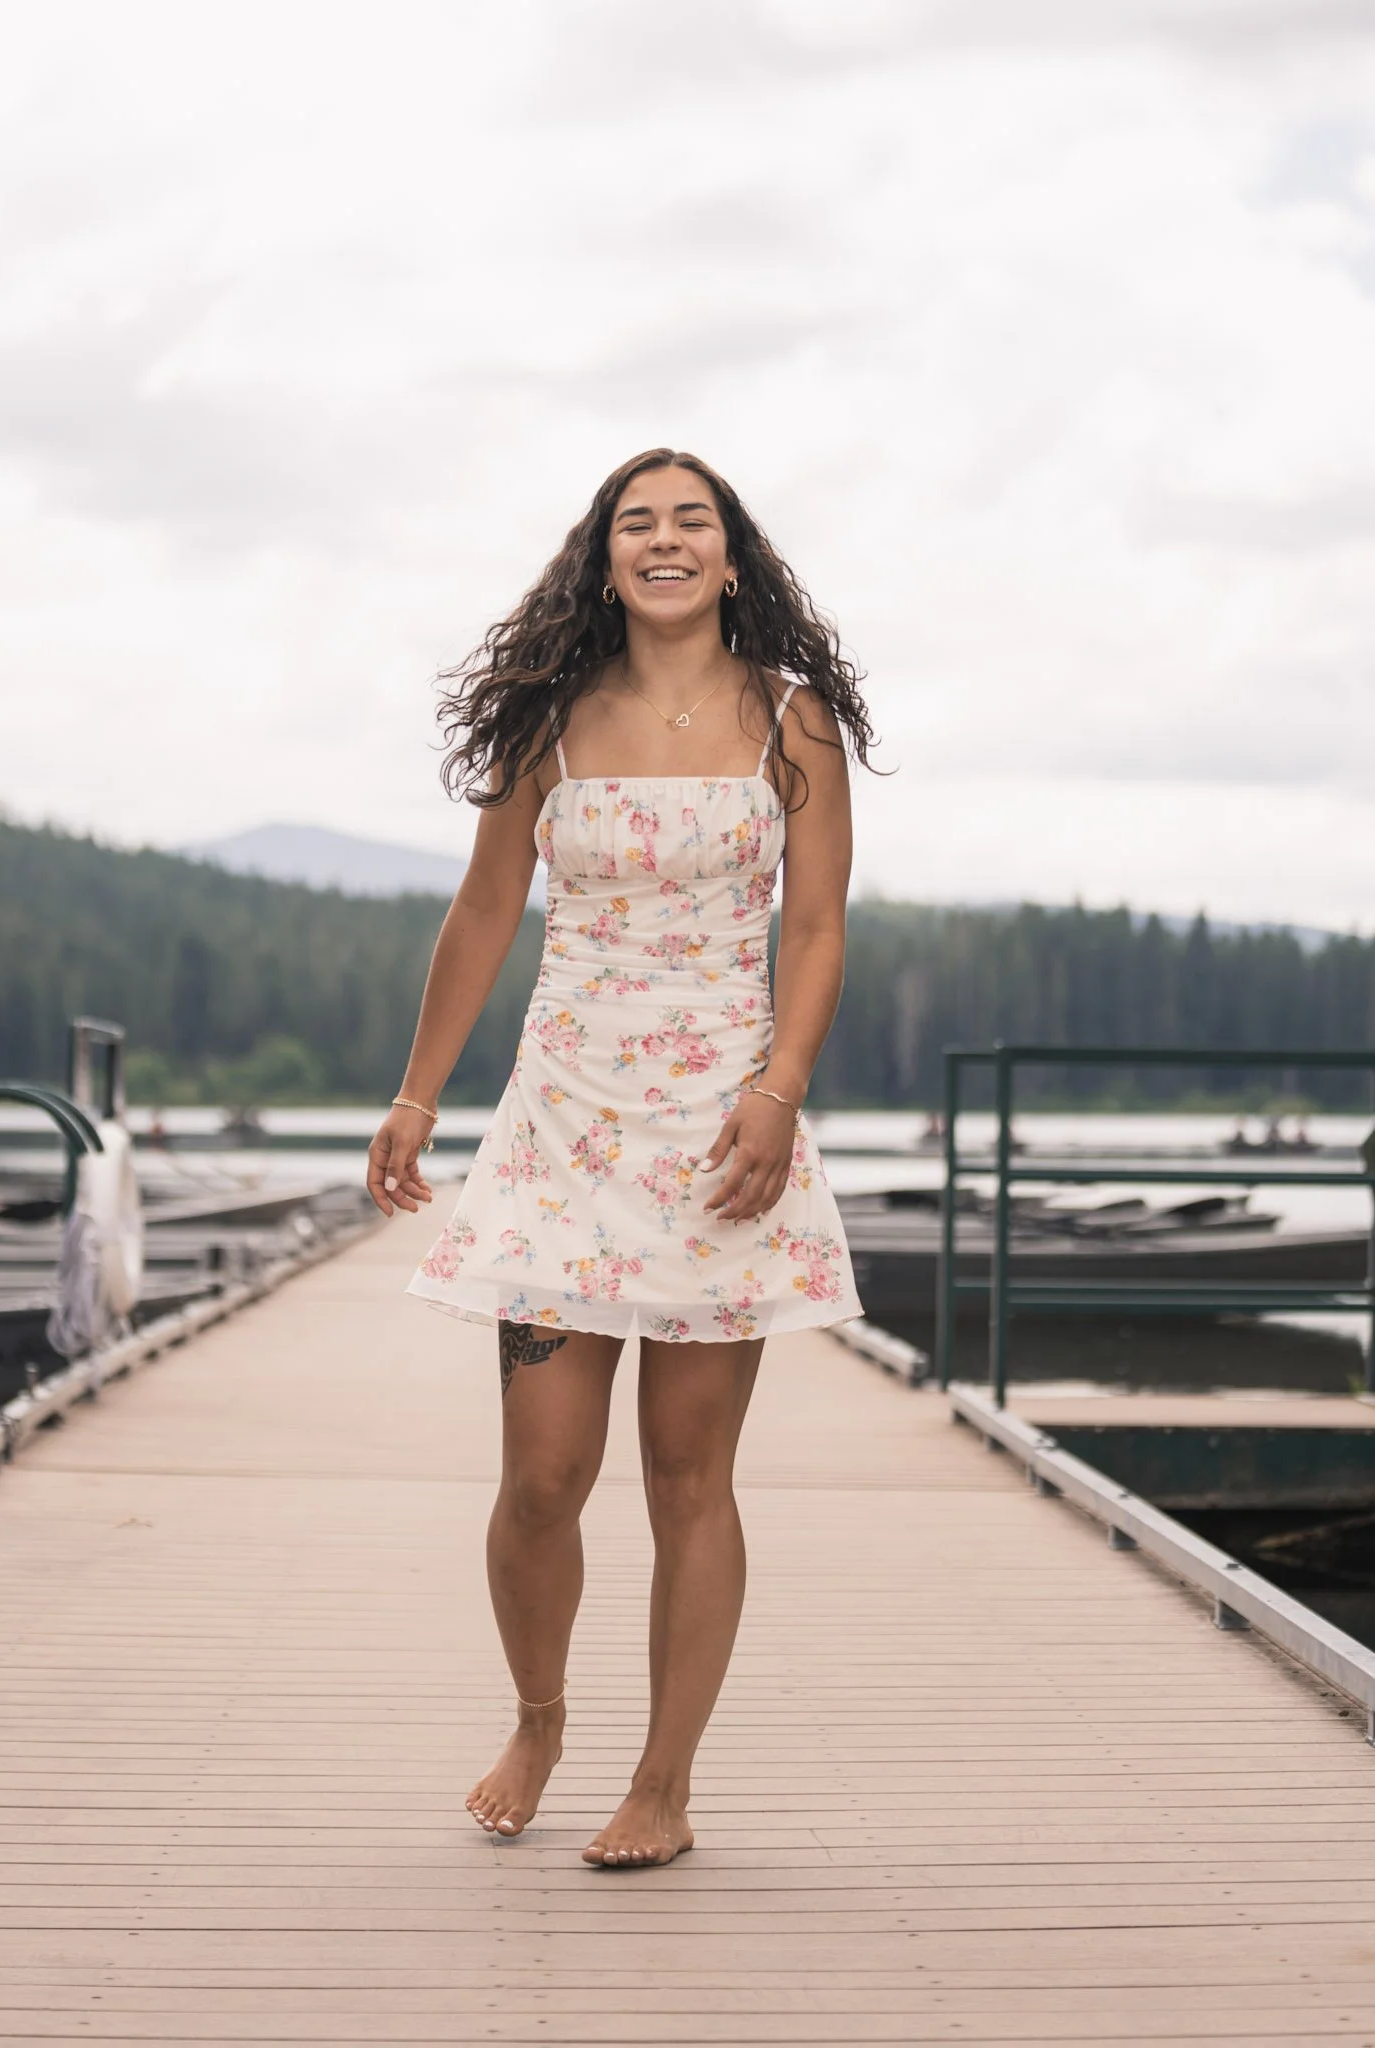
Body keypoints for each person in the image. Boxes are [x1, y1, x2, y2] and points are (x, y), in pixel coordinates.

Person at [366, 448, 873, 1869]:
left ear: (729, 554)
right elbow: (480, 912)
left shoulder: (793, 720)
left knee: (686, 1476)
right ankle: (538, 1716)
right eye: (634, 524)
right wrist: (415, 1099)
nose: (663, 540)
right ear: (603, 559)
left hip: (724, 1135)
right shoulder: (551, 722)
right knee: (540, 1474)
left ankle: (664, 1783)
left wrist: (779, 1092)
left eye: (689, 520)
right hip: (561, 1129)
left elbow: (819, 931)